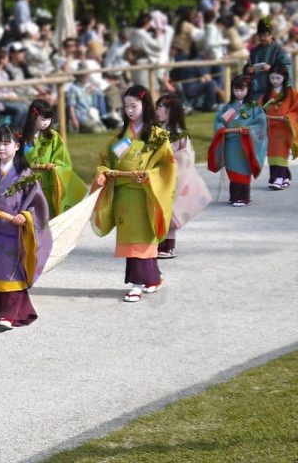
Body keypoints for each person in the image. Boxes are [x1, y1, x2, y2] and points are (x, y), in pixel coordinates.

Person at [92, 85, 176, 302]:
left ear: (144, 105)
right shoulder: (122, 136)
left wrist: (149, 175)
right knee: (132, 239)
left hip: (145, 193)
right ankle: (153, 278)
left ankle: (137, 285)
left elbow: (167, 166)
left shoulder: (157, 136)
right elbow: (106, 160)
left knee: (142, 237)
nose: (129, 110)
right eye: (126, 106)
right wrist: (103, 172)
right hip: (123, 194)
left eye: (134, 106)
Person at [0, 125, 52, 330]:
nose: (1, 148)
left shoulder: (25, 173)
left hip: (13, 231)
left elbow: (37, 202)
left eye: (6, 144)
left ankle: (10, 314)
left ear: (17, 146)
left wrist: (25, 217)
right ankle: (3, 312)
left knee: (12, 272)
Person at [155, 95, 212, 258]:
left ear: (170, 111)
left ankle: (167, 245)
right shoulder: (155, 131)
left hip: (172, 177)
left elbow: (186, 157)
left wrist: (170, 163)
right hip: (156, 176)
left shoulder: (179, 134)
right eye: (157, 107)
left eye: (160, 108)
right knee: (157, 210)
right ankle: (157, 242)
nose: (157, 111)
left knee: (170, 210)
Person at [208, 75, 268, 206]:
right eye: (236, 90)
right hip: (230, 142)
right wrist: (221, 128)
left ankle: (243, 197)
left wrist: (249, 129)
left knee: (243, 168)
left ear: (248, 90)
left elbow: (261, 123)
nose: (239, 93)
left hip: (245, 142)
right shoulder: (229, 107)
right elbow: (219, 121)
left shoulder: (254, 107)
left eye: (242, 90)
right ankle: (235, 196)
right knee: (232, 167)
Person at [22, 100, 87, 218]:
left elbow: (62, 159)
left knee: (48, 215)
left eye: (49, 119)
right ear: (33, 116)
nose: (47, 122)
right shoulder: (22, 137)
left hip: (47, 182)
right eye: (43, 119)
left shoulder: (53, 136)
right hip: (26, 182)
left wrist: (55, 166)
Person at [259, 64, 298, 189]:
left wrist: (289, 117)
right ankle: (285, 176)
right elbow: (260, 108)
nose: (275, 81)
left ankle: (278, 178)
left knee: (280, 151)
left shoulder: (290, 92)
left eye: (278, 78)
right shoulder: (267, 94)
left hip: (284, 127)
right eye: (272, 78)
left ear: (284, 77)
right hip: (270, 127)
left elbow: (296, 108)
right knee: (272, 152)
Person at [245, 17, 293, 100]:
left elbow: (287, 73)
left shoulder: (280, 51)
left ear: (271, 34)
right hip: (256, 93)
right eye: (259, 35)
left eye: (264, 35)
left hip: (275, 92)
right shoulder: (254, 52)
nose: (262, 38)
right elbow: (247, 71)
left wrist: (271, 68)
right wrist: (248, 70)